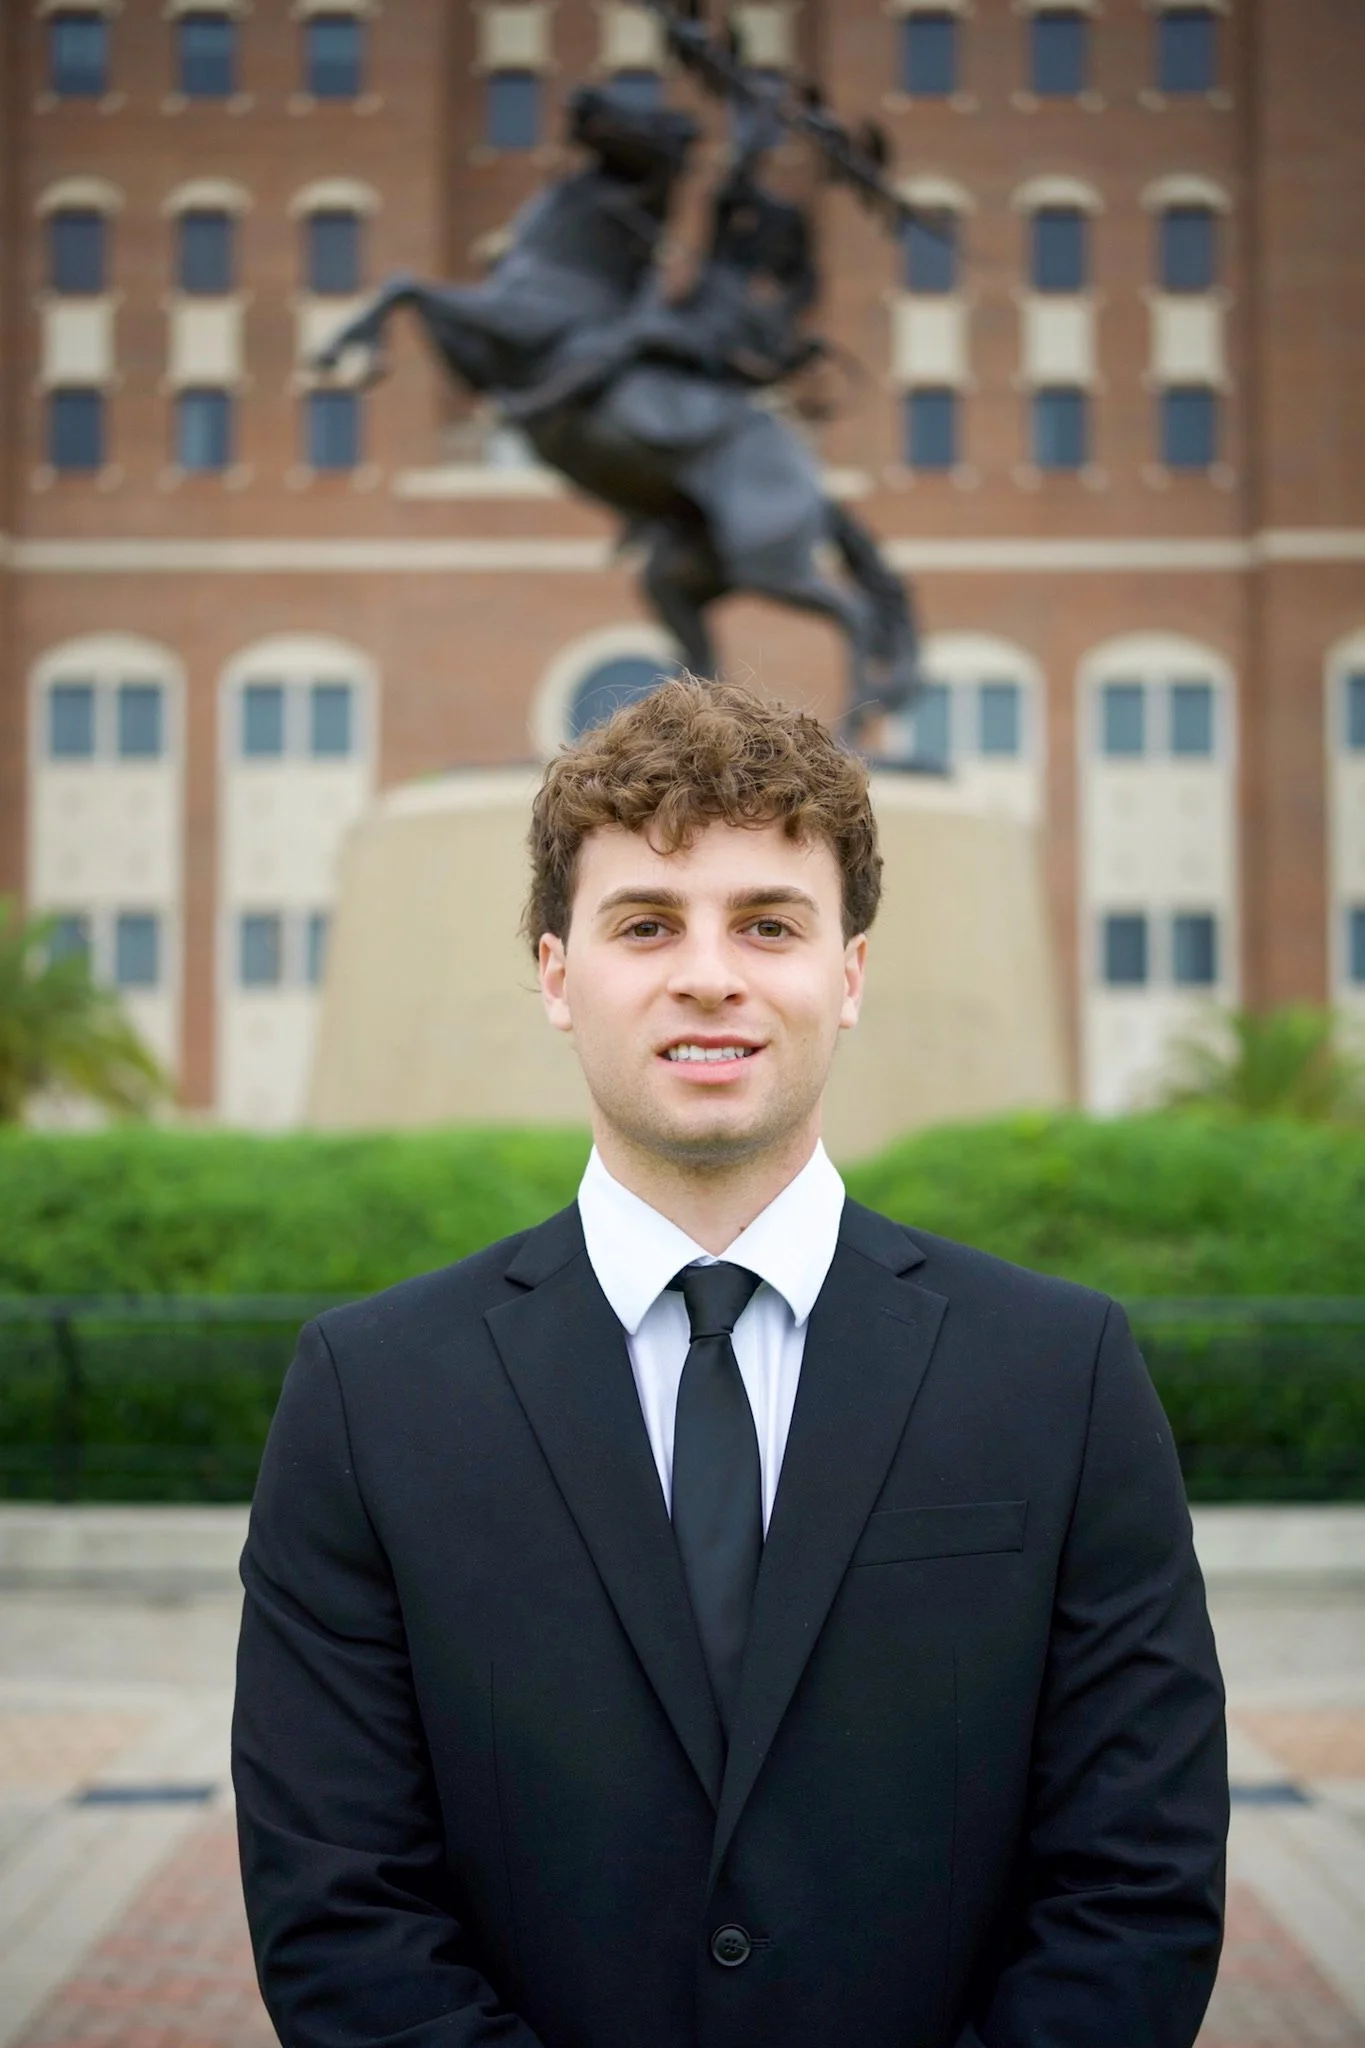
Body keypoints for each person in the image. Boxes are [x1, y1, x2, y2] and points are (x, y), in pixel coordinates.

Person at [233, 676, 1228, 2048]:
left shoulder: (1063, 1378)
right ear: (557, 975)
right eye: (646, 924)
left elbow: (1137, 1886)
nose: (710, 971)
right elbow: (341, 1909)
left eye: (769, 923)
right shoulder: (367, 1393)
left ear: (851, 973)